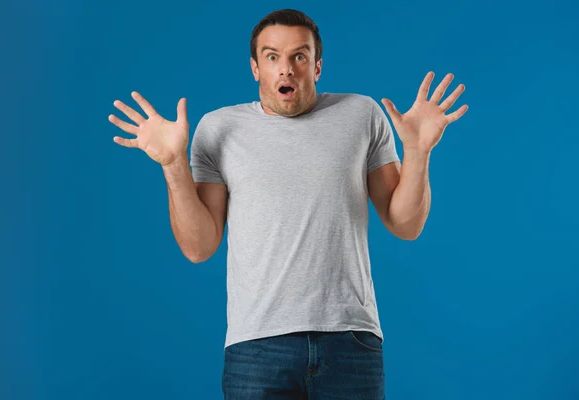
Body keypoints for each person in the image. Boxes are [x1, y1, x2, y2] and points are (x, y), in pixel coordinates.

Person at [108, 8, 468, 399]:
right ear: (255, 67)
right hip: (257, 345)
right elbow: (198, 246)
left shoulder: (362, 114)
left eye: (299, 55)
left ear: (316, 66)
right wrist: (174, 164)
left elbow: (405, 224)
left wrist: (417, 151)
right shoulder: (218, 128)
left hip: (351, 340)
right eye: (272, 56)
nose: (286, 69)